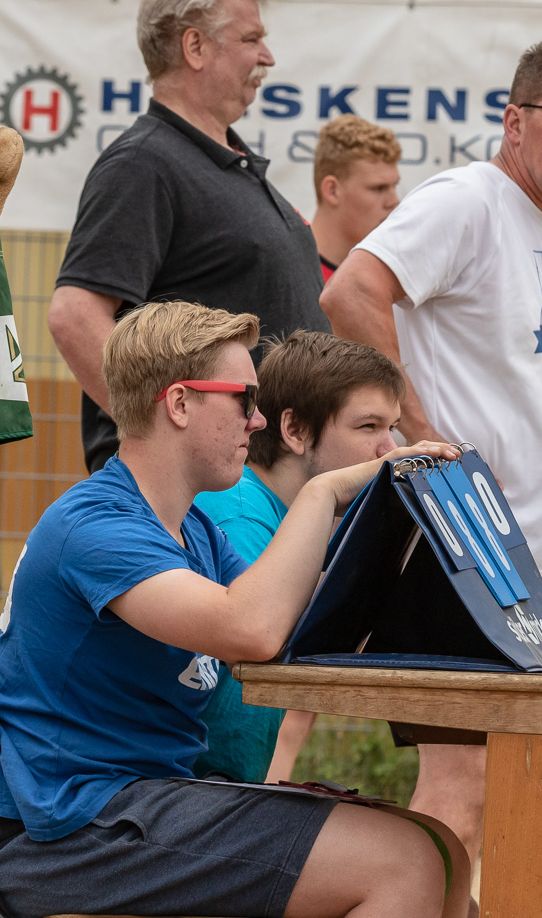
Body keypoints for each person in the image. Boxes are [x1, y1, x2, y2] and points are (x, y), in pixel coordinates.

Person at [0, 302, 469, 918]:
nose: (257, 420)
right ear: (180, 404)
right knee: (407, 862)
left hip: (137, 806)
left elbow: (311, 622)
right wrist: (325, 490)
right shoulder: (97, 525)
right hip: (68, 833)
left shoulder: (194, 531)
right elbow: (253, 629)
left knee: (444, 851)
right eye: (244, 399)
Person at [320, 38, 542, 864]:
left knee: (505, 785)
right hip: (466, 546)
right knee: (464, 780)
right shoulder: (470, 199)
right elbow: (351, 290)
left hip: (524, 554)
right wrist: (419, 433)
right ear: (514, 120)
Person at [48, 0, 331, 474]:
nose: (267, 56)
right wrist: (170, 442)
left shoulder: (221, 162)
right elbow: (75, 317)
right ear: (195, 47)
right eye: (251, 39)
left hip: (256, 482)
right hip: (207, 493)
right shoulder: (143, 164)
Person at [193, 332, 406, 786]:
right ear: (295, 430)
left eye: (393, 428)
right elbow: (261, 644)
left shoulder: (287, 518)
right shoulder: (243, 516)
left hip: (227, 781)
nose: (388, 449)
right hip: (199, 785)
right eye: (369, 427)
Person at [310, 115, 402, 282]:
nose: (394, 201)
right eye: (378, 188)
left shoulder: (392, 279)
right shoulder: (286, 273)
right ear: (332, 191)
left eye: (394, 186)